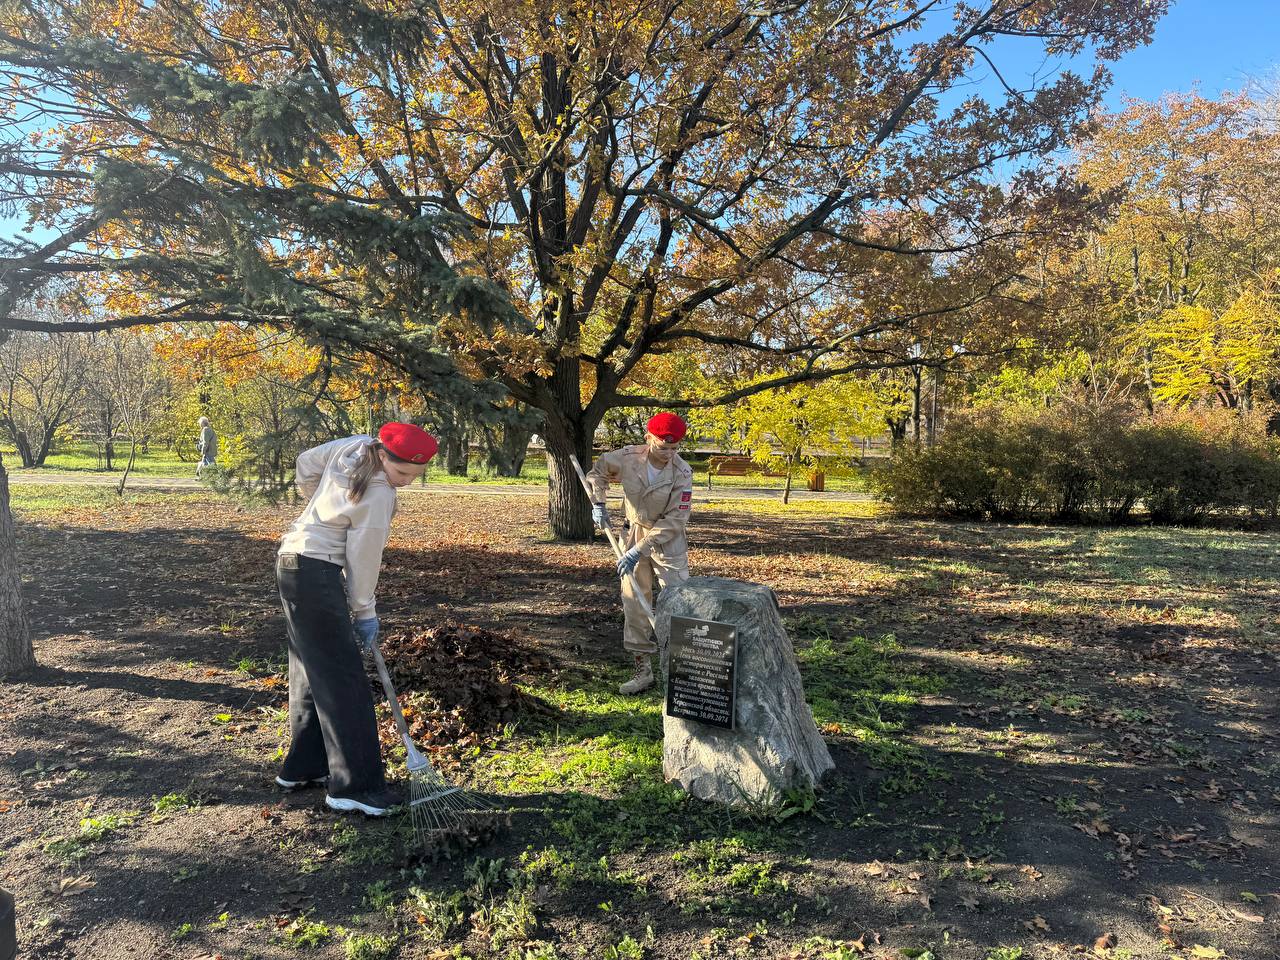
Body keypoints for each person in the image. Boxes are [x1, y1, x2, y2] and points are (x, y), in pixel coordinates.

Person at [274, 422, 438, 816]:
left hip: (291, 562)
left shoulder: (354, 446)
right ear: (383, 454)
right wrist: (365, 611)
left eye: (415, 476)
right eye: (402, 472)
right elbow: (363, 560)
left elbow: (305, 462)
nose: (406, 482)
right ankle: (355, 787)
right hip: (316, 571)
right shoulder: (379, 492)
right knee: (344, 680)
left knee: (312, 671)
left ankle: (305, 766)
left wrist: (318, 505)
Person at [586, 413, 694, 695]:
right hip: (632, 531)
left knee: (679, 600)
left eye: (674, 448)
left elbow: (675, 520)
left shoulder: (682, 473)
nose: (669, 453)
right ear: (649, 438)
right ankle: (642, 670)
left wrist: (639, 550)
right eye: (663, 447)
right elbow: (597, 473)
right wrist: (599, 503)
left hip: (667, 541)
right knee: (634, 600)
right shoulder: (628, 458)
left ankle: (686, 671)